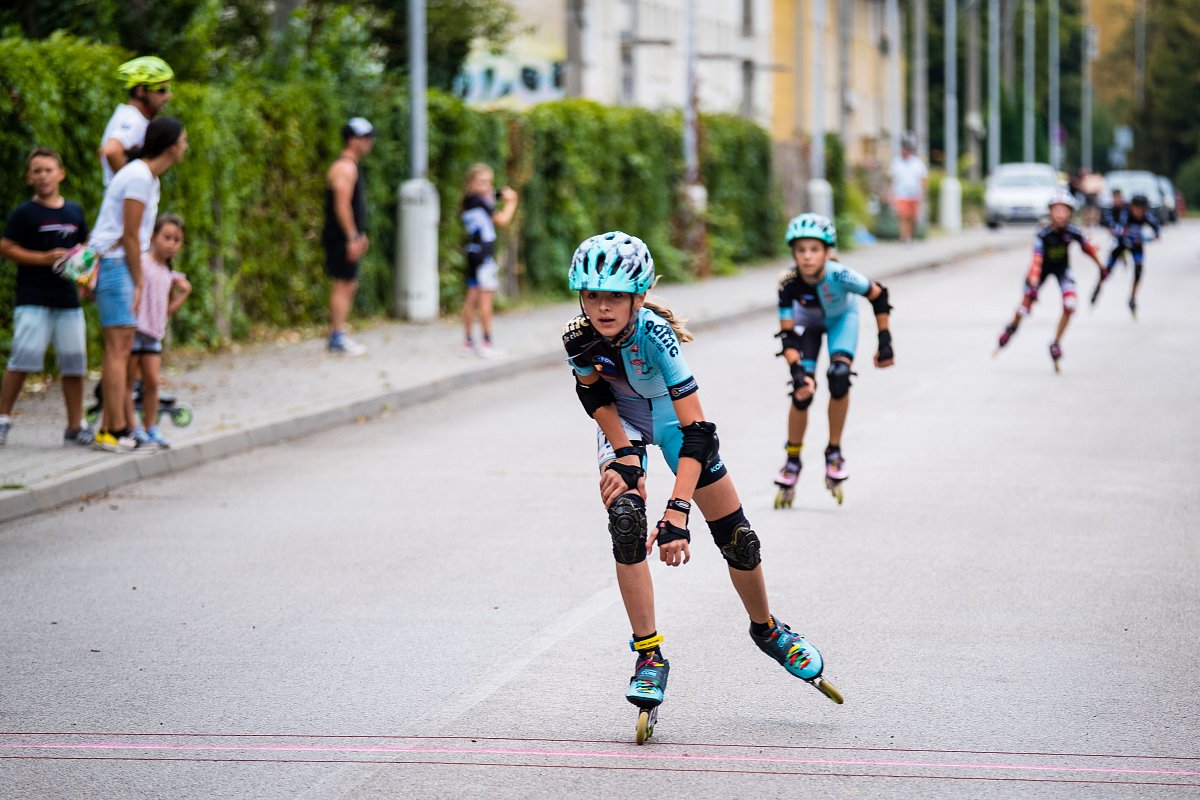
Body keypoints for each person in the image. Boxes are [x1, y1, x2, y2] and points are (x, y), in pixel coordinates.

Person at [562, 231, 843, 743]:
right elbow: (595, 397)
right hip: (622, 423)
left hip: (676, 426)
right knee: (626, 522)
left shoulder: (655, 336)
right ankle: (649, 656)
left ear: (638, 297)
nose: (602, 307)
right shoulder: (578, 336)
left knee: (739, 539)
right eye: (593, 295)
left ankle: (768, 630)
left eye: (615, 296)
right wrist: (625, 456)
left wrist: (677, 512)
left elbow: (697, 432)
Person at [772, 214, 894, 508]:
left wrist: (884, 341)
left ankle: (834, 452)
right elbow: (787, 335)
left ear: (827, 252)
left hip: (841, 321)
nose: (807, 256)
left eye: (814, 250)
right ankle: (792, 459)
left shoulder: (841, 275)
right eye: (801, 250)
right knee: (801, 391)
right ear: (794, 253)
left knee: (839, 376)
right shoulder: (788, 282)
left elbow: (879, 295)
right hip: (808, 327)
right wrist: (797, 371)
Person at [88, 116, 189, 452]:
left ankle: (115, 427)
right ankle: (111, 429)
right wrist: (140, 280)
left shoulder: (147, 177)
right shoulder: (139, 177)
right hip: (118, 265)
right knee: (118, 351)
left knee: (121, 349)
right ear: (170, 145)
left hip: (121, 263)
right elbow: (130, 235)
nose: (185, 146)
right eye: (183, 140)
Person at [0, 148, 92, 447]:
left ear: (60, 174)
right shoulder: (24, 213)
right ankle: (2, 419)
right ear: (29, 178)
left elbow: (86, 249)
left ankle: (75, 426)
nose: (43, 176)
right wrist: (43, 258)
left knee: (74, 364)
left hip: (67, 300)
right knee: (22, 359)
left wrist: (87, 280)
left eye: (48, 170)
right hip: (33, 298)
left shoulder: (74, 212)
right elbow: (6, 247)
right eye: (37, 171)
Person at [995, 190, 1104, 371]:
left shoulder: (1074, 231)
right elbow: (1036, 261)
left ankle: (1056, 343)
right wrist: (1033, 283)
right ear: (1050, 212)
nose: (1060, 215)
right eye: (1056, 210)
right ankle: (1011, 328)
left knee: (1070, 304)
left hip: (1062, 269)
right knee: (1024, 306)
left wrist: (1101, 266)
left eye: (1064, 211)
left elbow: (1089, 249)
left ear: (1070, 213)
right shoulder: (1043, 234)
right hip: (1041, 271)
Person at [126, 214, 191, 449]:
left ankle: (150, 427)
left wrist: (184, 293)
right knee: (129, 382)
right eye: (167, 237)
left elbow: (166, 311)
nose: (171, 244)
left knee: (152, 383)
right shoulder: (141, 263)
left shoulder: (168, 273)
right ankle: (132, 427)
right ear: (154, 236)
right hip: (134, 329)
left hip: (153, 334)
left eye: (177, 240)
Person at [323, 117, 375, 356]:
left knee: (348, 283)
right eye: (365, 138)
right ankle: (336, 337)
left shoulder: (352, 166)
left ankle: (339, 333)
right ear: (352, 140)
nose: (370, 142)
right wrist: (352, 236)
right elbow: (342, 205)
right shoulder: (345, 168)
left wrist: (358, 234)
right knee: (343, 283)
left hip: (346, 235)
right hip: (340, 236)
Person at [459, 163, 518, 358]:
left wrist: (498, 193)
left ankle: (468, 342)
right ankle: (486, 343)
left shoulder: (468, 200)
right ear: (471, 182)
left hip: (472, 253)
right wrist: (512, 202)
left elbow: (492, 194)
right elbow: (502, 220)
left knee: (471, 297)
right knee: (485, 300)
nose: (487, 186)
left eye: (489, 182)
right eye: (482, 182)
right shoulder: (480, 201)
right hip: (484, 256)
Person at [99, 56, 174, 186]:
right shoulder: (134, 119)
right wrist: (134, 186)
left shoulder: (125, 113)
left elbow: (102, 151)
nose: (168, 96)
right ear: (140, 91)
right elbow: (111, 151)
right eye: (161, 90)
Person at [1091, 193, 1161, 317]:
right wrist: (1123, 235)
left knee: (1139, 270)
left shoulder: (1147, 216)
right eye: (1136, 208)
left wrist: (1145, 239)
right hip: (1121, 244)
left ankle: (1132, 298)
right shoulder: (1125, 214)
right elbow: (1117, 229)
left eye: (1142, 209)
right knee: (1107, 270)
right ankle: (1098, 287)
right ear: (1132, 207)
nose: (1139, 212)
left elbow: (1157, 233)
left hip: (1136, 246)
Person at [888, 134, 927, 244]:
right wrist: (890, 193)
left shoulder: (917, 162)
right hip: (901, 193)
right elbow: (891, 179)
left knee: (913, 217)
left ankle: (912, 236)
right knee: (903, 216)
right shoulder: (896, 162)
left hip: (915, 194)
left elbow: (923, 178)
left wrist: (924, 192)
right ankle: (904, 238)